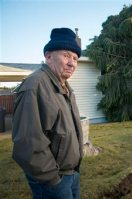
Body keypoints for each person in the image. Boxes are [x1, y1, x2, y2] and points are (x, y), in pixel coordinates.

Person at [12, 28, 83, 199]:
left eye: (75, 58)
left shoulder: (65, 88)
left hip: (71, 174)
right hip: (52, 180)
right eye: (66, 56)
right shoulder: (35, 86)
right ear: (49, 56)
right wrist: (53, 179)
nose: (72, 63)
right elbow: (27, 143)